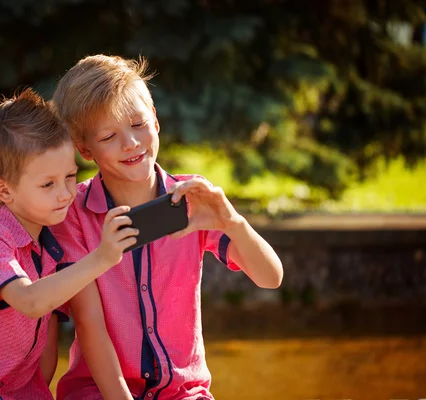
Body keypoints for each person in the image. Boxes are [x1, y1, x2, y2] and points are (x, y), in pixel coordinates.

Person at [51, 55, 284, 400]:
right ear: (85, 149)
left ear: (156, 122)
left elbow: (271, 277)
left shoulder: (193, 196)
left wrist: (233, 223)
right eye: (109, 136)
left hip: (184, 393)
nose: (130, 143)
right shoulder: (75, 216)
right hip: (99, 391)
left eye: (138, 124)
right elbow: (89, 325)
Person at [0, 88, 138, 400]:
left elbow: (46, 347)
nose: (64, 194)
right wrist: (101, 258)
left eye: (70, 177)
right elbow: (31, 302)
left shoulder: (51, 249)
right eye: (48, 184)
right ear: (4, 190)